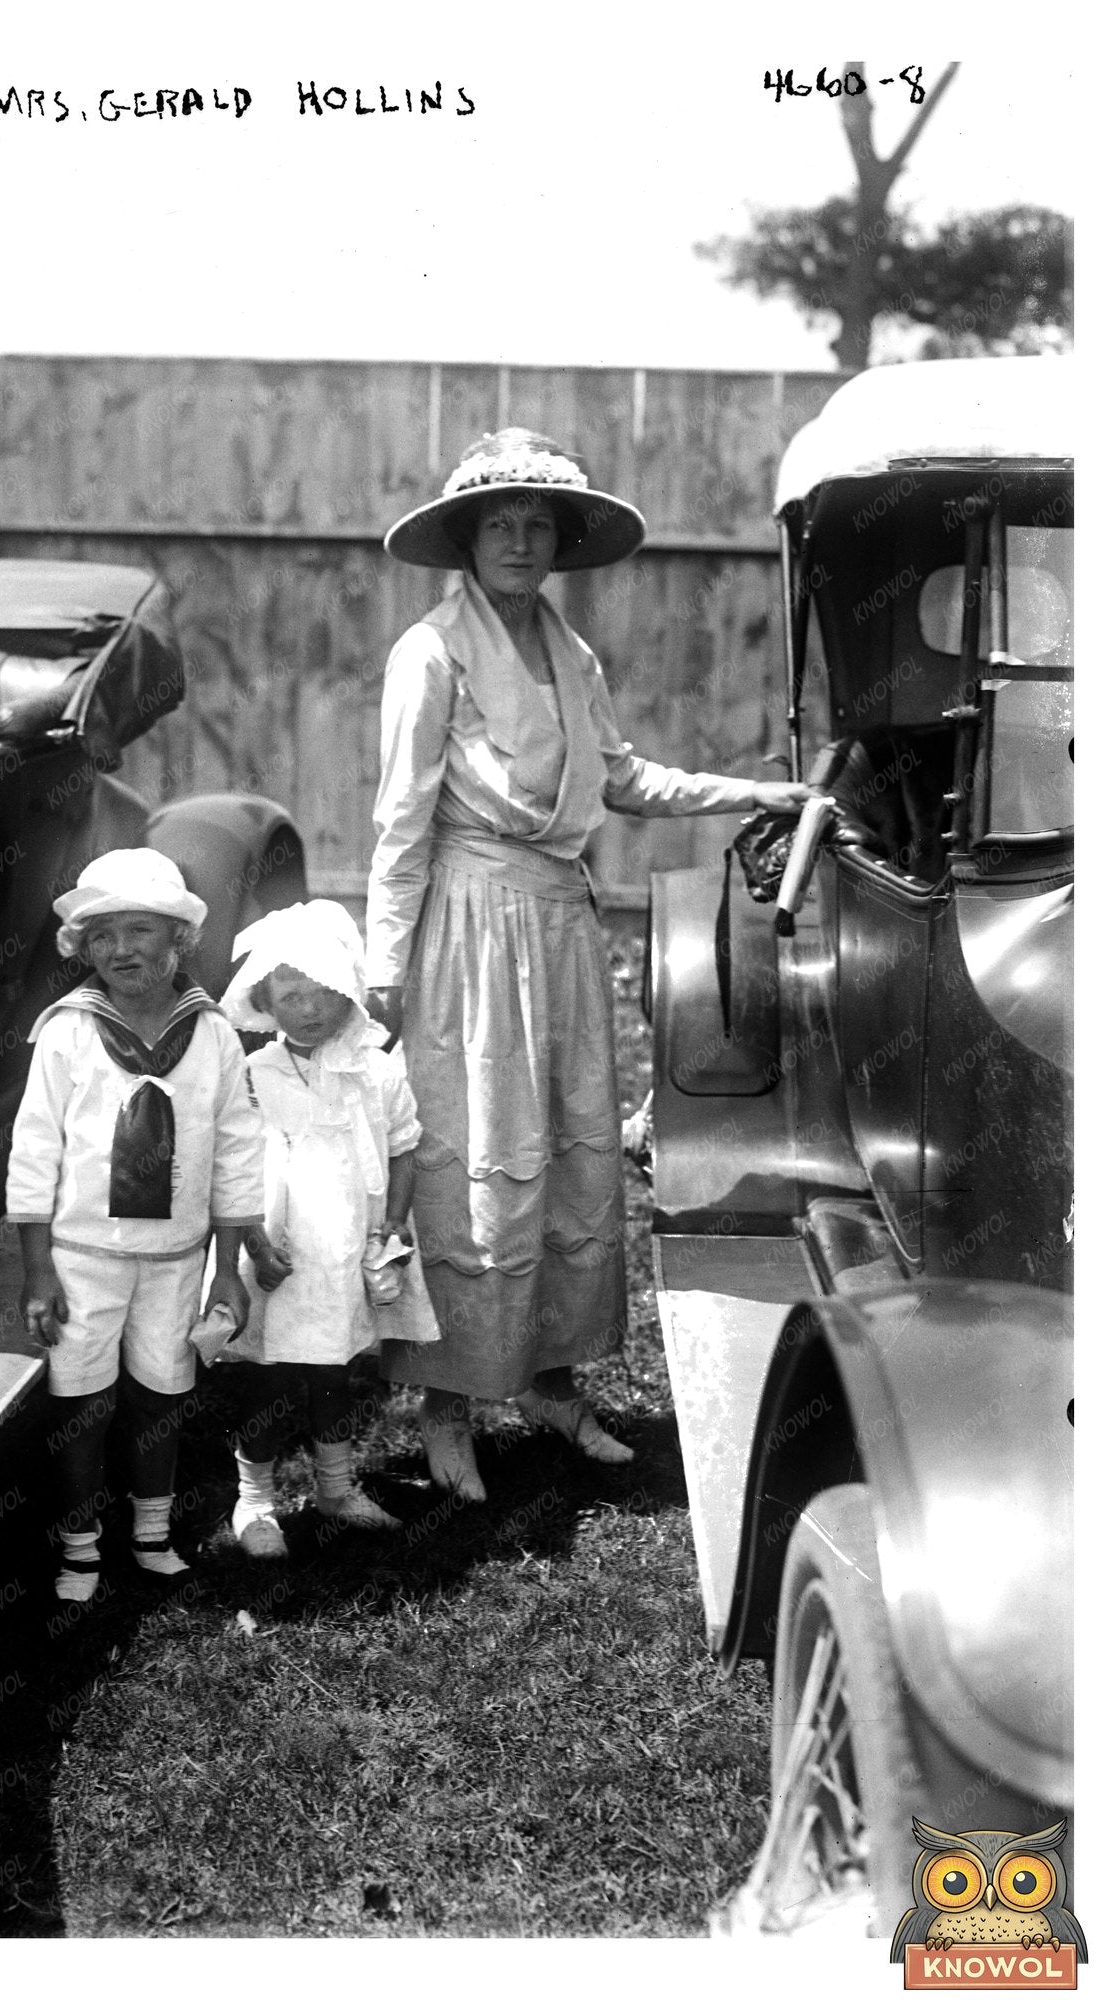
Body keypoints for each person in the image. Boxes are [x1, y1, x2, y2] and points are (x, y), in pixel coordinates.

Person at [366, 429, 813, 1502]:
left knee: (569, 1147)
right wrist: (384, 969)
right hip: (469, 925)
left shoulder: (571, 653)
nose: (520, 541)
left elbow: (622, 778)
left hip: (559, 919)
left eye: (537, 525)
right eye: (499, 523)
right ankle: (449, 1402)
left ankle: (554, 1384)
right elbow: (399, 816)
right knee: (473, 1147)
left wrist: (756, 794)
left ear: (559, 545)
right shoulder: (430, 652)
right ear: (465, 540)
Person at [7, 848, 266, 1603]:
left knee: (161, 1394)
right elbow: (34, 1149)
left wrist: (226, 1269)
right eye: (104, 934)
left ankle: (151, 1532)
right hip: (82, 1255)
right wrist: (36, 1269)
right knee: (81, 1399)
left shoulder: (212, 1034)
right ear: (83, 948)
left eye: (142, 930)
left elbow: (237, 1152)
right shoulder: (67, 1031)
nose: (122, 949)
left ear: (178, 940)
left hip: (177, 1257)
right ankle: (80, 1546)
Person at [217, 900, 441, 1558]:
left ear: (349, 994)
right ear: (264, 1001)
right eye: (290, 996)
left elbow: (405, 1146)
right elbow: (234, 1167)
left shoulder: (379, 1069)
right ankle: (254, 1499)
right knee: (266, 1372)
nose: (309, 1010)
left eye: (323, 994)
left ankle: (336, 1487)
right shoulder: (254, 1077)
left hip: (348, 1244)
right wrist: (256, 1243)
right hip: (278, 1249)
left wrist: (393, 1225)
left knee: (335, 1371)